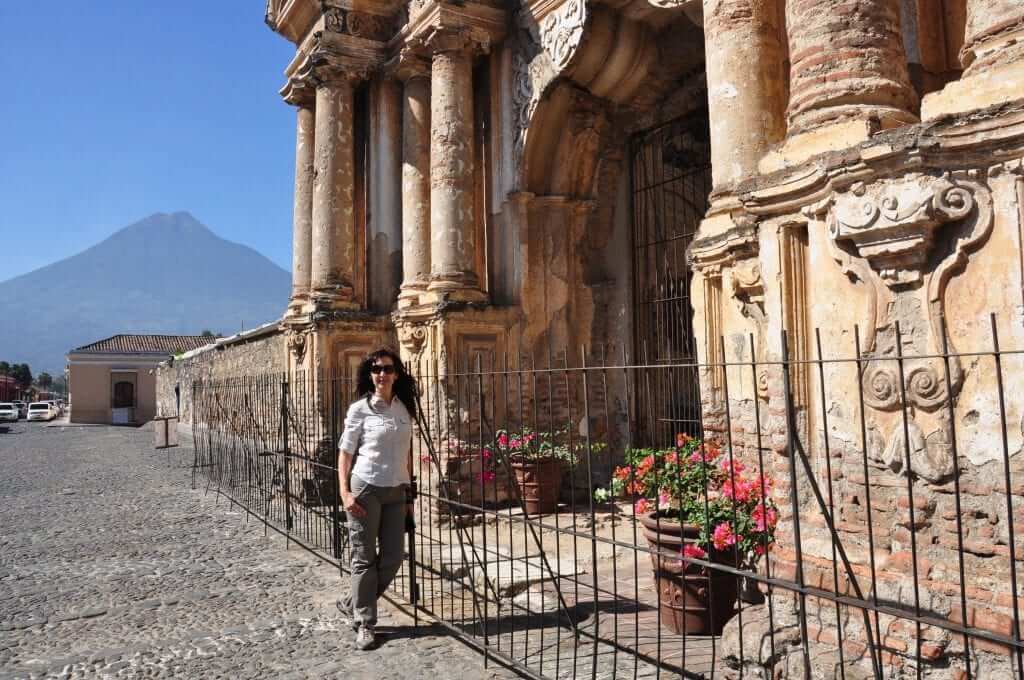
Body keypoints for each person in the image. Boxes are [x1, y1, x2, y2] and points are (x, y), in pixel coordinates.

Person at [336, 348, 416, 650]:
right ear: (370, 375)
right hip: (365, 489)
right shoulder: (360, 409)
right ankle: (365, 624)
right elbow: (345, 453)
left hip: (396, 491)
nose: (381, 374)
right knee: (364, 559)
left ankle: (353, 601)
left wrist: (410, 497)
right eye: (375, 369)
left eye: (387, 368)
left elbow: (406, 454)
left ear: (396, 373)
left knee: (394, 558)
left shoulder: (404, 409)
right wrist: (344, 492)